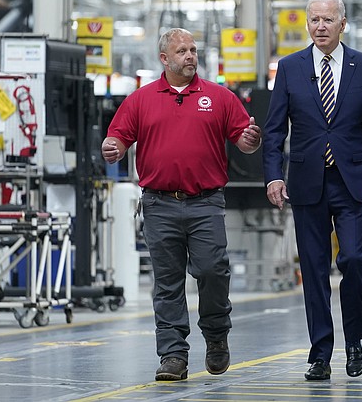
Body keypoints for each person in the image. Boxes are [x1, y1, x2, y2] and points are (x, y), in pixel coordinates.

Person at [101, 28, 261, 382]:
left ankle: (217, 336)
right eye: (182, 51)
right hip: (159, 204)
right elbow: (117, 138)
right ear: (164, 58)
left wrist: (250, 140)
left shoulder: (219, 97)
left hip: (205, 203)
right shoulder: (141, 100)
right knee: (168, 282)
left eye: (193, 49)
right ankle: (173, 355)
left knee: (211, 271)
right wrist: (112, 147)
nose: (190, 55)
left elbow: (244, 140)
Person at [262, 0, 362, 381]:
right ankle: (320, 353)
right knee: (314, 271)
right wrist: (273, 175)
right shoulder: (289, 67)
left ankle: (354, 339)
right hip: (306, 184)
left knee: (352, 259)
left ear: (342, 24)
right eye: (314, 20)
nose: (320, 26)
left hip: (352, 183)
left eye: (327, 20)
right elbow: (273, 130)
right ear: (307, 24)